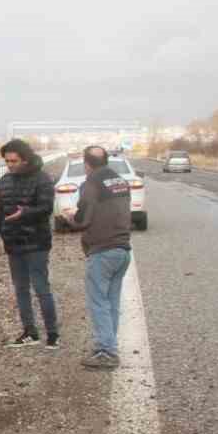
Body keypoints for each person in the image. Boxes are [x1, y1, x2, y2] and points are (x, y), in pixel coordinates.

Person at [0, 138, 58, 349]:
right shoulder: (4, 181)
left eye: (14, 161)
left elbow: (46, 208)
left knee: (41, 288)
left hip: (37, 243)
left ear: (25, 159)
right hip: (13, 244)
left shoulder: (42, 179)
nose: (10, 165)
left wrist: (24, 213)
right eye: (7, 161)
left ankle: (52, 334)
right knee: (20, 289)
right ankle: (29, 332)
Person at [69, 145, 132, 369]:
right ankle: (110, 346)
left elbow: (83, 218)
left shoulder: (91, 183)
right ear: (106, 161)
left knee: (98, 302)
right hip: (123, 250)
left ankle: (105, 351)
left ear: (86, 165)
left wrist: (70, 219)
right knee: (111, 302)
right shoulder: (120, 181)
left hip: (103, 251)